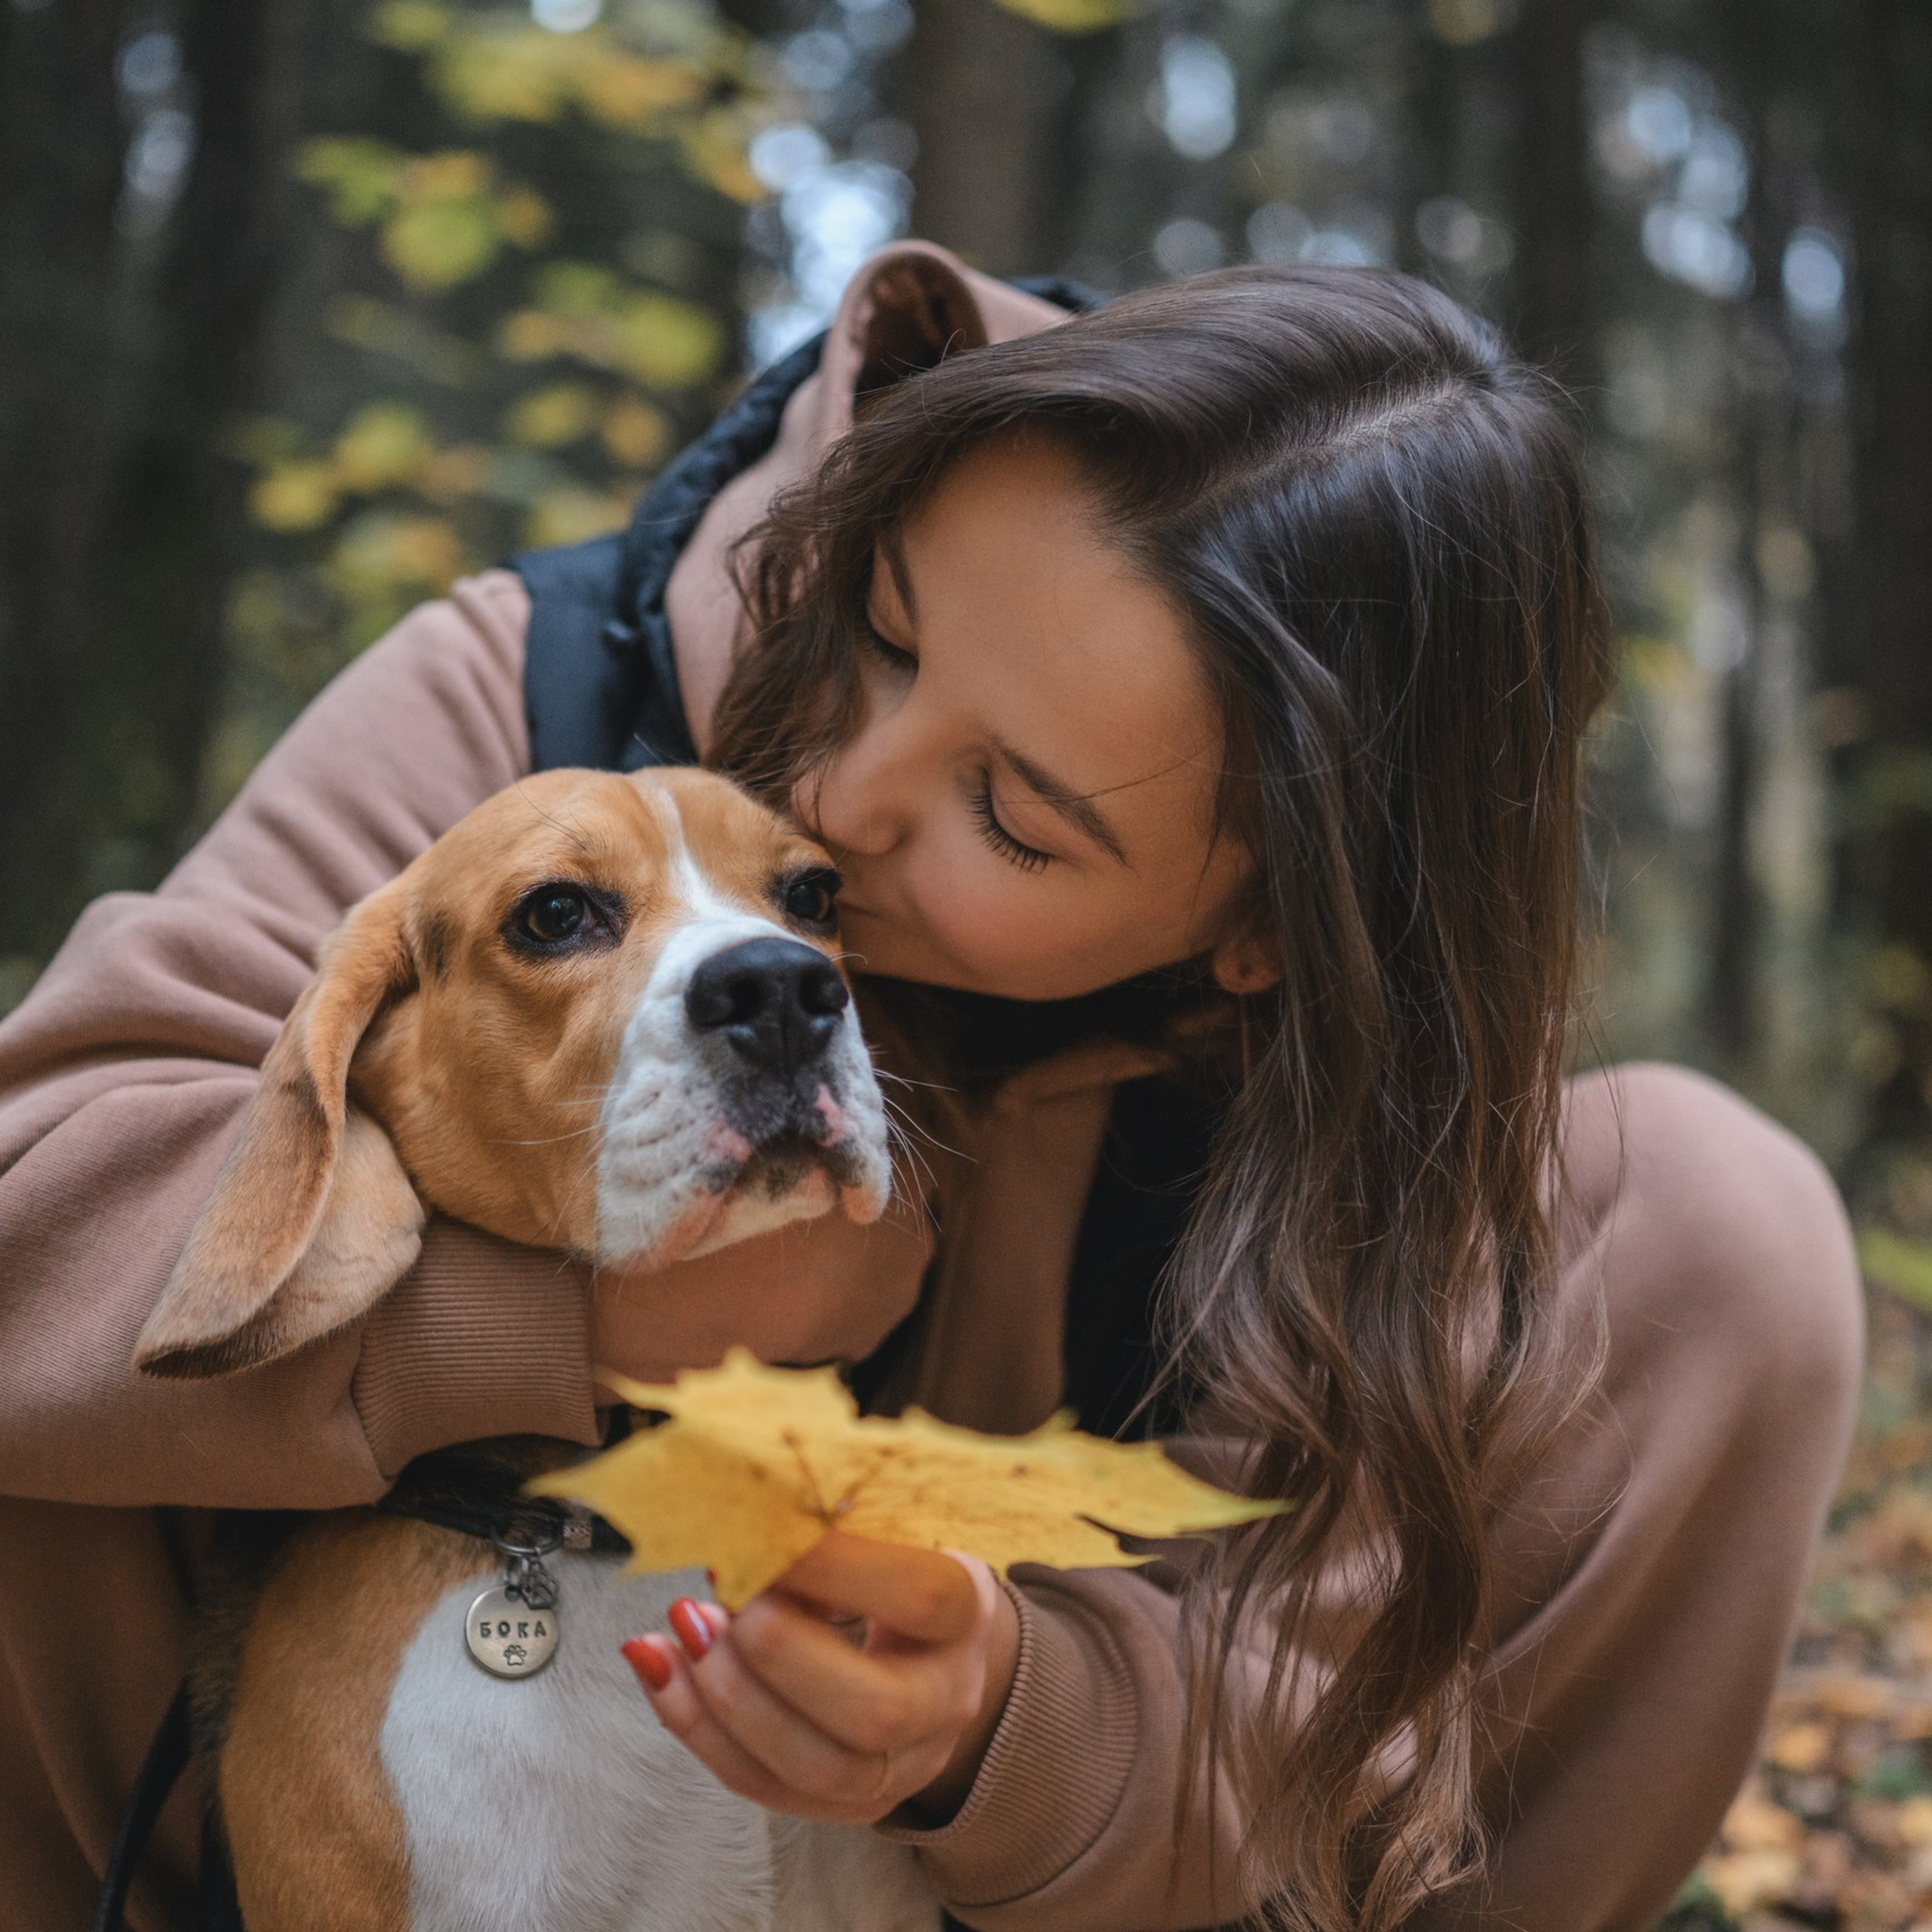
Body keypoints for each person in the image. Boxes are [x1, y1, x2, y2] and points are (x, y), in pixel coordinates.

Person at [0, 243, 1861, 1932]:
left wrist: (1000, 1724)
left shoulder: (1364, 1093)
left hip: (1038, 1833)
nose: (846, 794)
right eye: (880, 631)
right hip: (312, 1809)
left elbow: (1313, 1719)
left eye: (1008, 813)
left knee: (1728, 1223)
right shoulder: (538, 696)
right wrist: (577, 1312)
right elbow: (38, 1212)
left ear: (1262, 934)